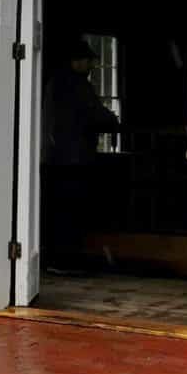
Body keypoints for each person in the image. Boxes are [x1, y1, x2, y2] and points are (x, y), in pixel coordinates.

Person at [41, 38, 120, 272]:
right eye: (87, 60)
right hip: (74, 158)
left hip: (55, 157)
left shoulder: (55, 83)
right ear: (76, 62)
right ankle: (65, 259)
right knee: (71, 210)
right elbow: (95, 115)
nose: (90, 65)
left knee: (59, 209)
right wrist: (112, 120)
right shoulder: (77, 86)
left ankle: (55, 257)